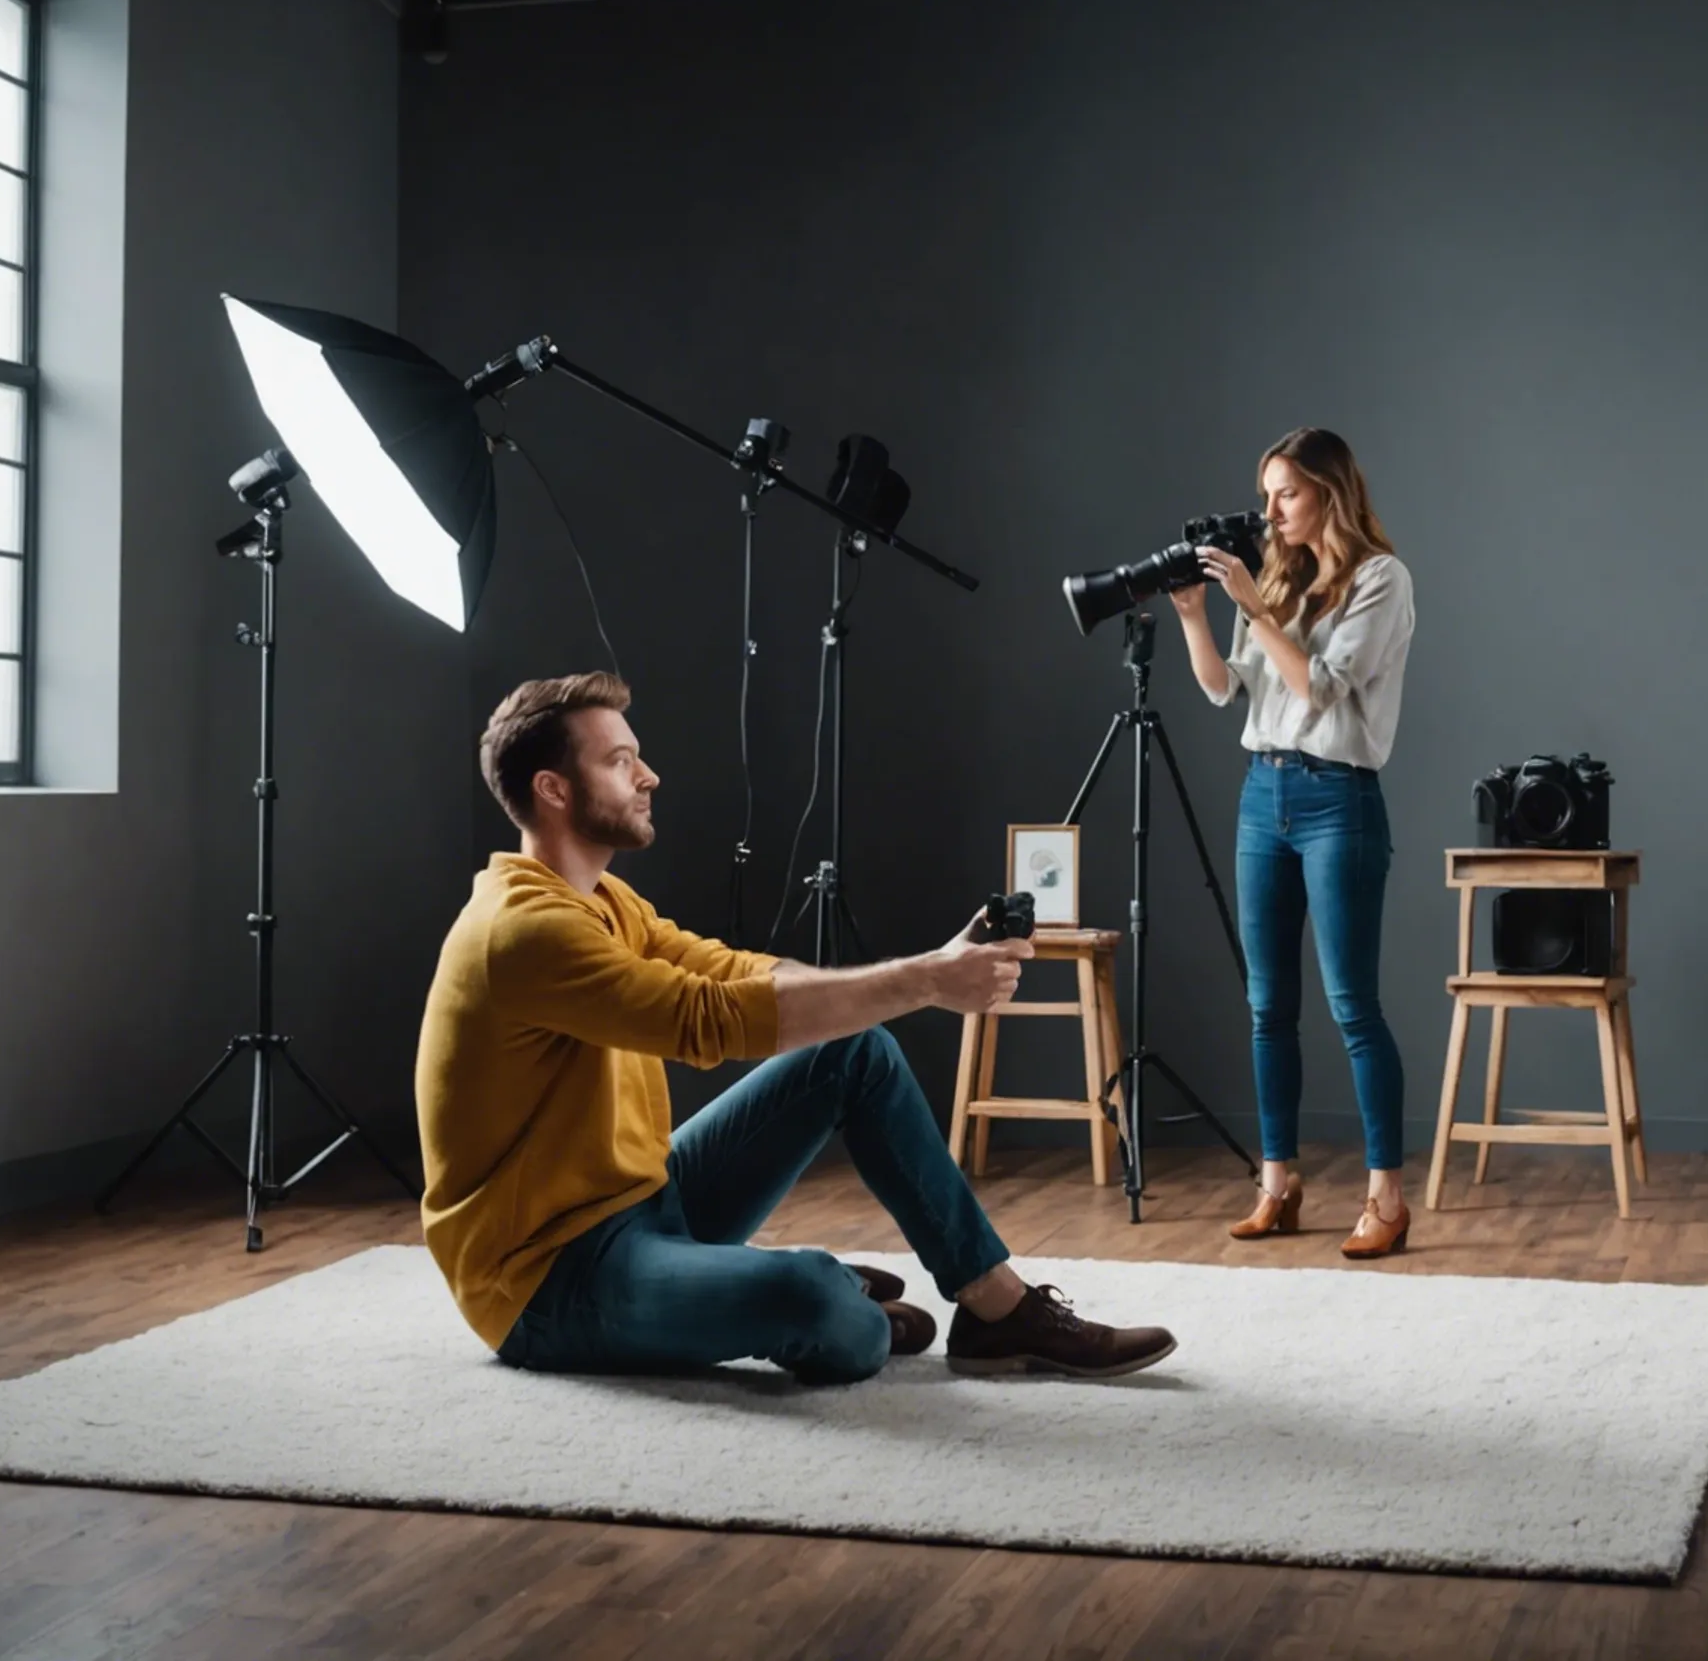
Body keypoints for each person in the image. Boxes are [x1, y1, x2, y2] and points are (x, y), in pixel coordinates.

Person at [415, 672, 1178, 1386]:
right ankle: (823, 1289)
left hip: (643, 1200)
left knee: (852, 1050)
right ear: (553, 789)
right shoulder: (521, 931)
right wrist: (926, 983)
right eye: (621, 762)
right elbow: (707, 1020)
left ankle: (996, 1306)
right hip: (547, 1275)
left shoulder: (605, 900)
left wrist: (933, 967)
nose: (649, 777)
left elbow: (734, 972)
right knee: (826, 1311)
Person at [1168, 428, 1417, 1258]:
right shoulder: (1277, 574)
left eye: (1287, 494)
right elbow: (1221, 690)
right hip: (1262, 795)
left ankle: (1385, 1197)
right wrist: (1196, 616)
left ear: (1330, 494)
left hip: (1338, 800)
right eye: (1267, 492)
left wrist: (1251, 603)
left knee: (1353, 1006)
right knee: (1267, 1006)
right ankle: (1278, 1183)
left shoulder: (1381, 580)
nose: (1270, 510)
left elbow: (1320, 686)